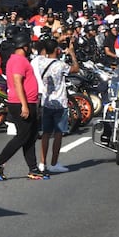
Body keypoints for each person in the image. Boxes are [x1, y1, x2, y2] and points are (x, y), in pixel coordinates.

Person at [0, 32, 48, 181]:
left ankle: (33, 169)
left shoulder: (16, 59)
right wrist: (24, 105)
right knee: (22, 136)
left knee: (30, 137)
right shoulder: (19, 61)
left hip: (26, 102)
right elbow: (17, 82)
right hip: (21, 103)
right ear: (25, 46)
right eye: (29, 46)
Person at [33, 37, 79, 173]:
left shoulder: (40, 62)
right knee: (58, 133)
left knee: (46, 133)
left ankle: (42, 162)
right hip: (60, 103)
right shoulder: (60, 65)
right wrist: (72, 53)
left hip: (46, 102)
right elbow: (76, 69)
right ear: (57, 50)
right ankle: (54, 163)